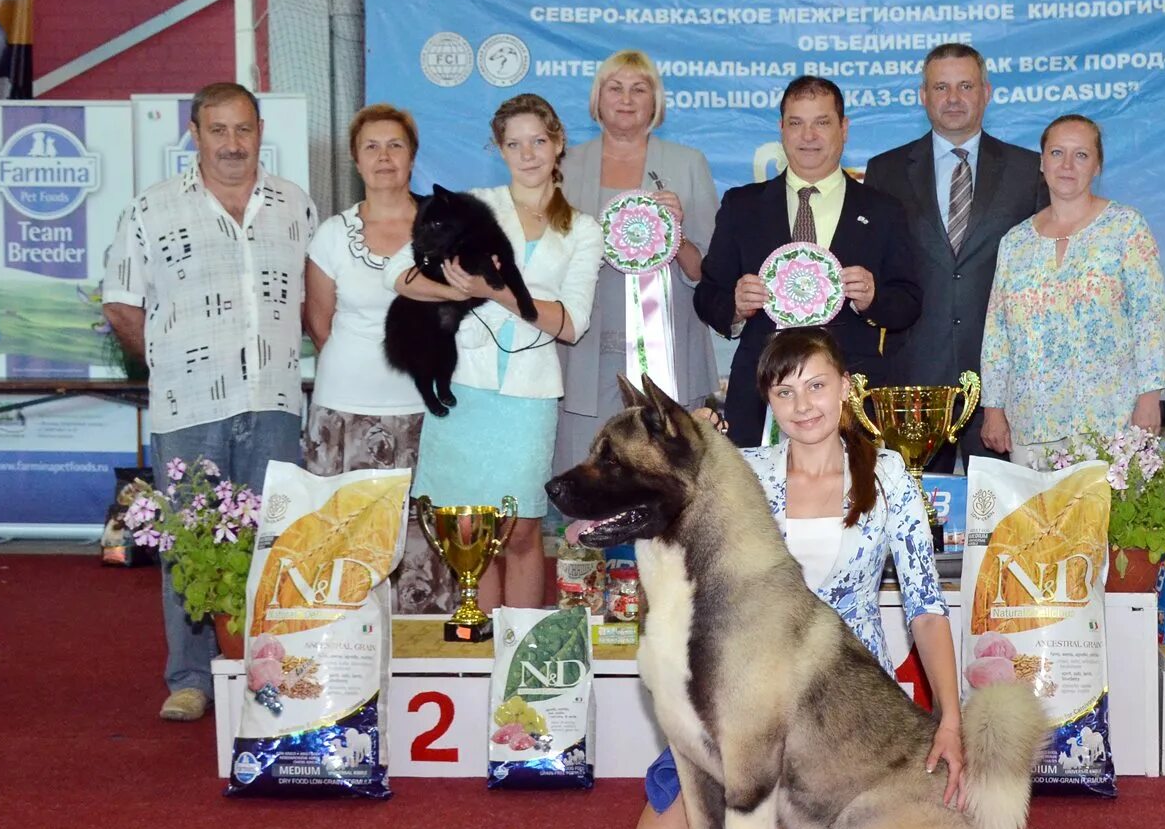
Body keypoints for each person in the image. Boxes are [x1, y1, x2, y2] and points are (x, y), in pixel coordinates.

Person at [632, 327, 964, 829]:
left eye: (816, 385)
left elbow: (926, 609)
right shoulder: (742, 472)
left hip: (837, 706)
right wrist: (688, 443)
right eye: (784, 392)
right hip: (736, 694)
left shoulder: (890, 480)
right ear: (767, 401)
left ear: (846, 387)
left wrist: (950, 720)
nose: (802, 405)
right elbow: (668, 496)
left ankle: (823, 824)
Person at [101, 82, 317, 722]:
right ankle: (191, 678)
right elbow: (120, 300)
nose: (231, 143)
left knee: (273, 540)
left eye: (243, 129)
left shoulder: (295, 206)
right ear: (195, 133)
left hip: (276, 399)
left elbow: (316, 299)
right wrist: (168, 363)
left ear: (259, 132)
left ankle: (268, 671)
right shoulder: (151, 209)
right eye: (217, 130)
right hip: (187, 408)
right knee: (191, 544)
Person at [385, 93, 602, 611]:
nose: (527, 154)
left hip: (528, 398)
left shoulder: (584, 230)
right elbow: (399, 272)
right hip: (462, 389)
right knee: (467, 530)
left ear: (558, 144)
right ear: (499, 150)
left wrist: (495, 290)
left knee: (522, 532)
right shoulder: (472, 204)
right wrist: (455, 292)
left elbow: (571, 324)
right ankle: (474, 653)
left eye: (538, 141)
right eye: (514, 143)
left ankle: (517, 662)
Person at [694, 75, 923, 446]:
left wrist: (873, 298)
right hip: (760, 392)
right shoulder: (742, 206)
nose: (808, 136)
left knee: (851, 502)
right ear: (781, 129)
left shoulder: (883, 210)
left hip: (853, 393)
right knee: (759, 503)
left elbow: (909, 303)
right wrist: (735, 306)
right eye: (796, 123)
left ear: (844, 129)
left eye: (822, 122)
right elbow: (707, 296)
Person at [863, 42, 1046, 470]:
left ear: (987, 92)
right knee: (920, 521)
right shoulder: (885, 171)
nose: (953, 98)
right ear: (922, 96)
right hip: (914, 377)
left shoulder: (1027, 171)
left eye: (965, 85)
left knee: (1002, 520)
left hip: (1001, 381)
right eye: (940, 87)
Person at [302, 103, 445, 614]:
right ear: (355, 161)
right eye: (372, 146)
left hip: (425, 416)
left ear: (412, 157)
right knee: (342, 551)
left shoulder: (443, 229)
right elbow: (320, 325)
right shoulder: (331, 235)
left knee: (421, 558)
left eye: (395, 145)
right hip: (343, 416)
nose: (384, 157)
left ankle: (425, 677)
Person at [554, 50, 720, 473]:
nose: (626, 99)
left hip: (672, 357)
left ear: (655, 102)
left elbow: (705, 270)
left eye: (639, 89)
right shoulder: (565, 168)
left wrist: (675, 232)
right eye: (615, 88)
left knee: (672, 489)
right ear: (597, 99)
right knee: (589, 482)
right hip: (585, 359)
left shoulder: (688, 164)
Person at [979, 114, 1165, 466]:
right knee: (1038, 523)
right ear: (1041, 161)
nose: (1067, 165)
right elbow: (997, 334)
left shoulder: (1126, 227)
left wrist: (1150, 396)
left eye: (1081, 155)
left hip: (1110, 421)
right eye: (1057, 153)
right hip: (1031, 425)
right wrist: (993, 407)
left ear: (1097, 166)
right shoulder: (1015, 241)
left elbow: (1150, 318)